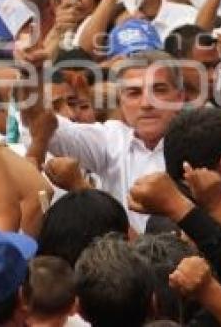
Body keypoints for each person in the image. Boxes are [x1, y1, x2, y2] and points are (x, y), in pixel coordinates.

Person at [21, 51, 184, 231]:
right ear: (121, 101)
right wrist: (31, 74)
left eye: (159, 90)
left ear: (179, 98)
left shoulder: (202, 143)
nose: (146, 103)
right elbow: (42, 124)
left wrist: (79, 186)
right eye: (134, 93)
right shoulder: (111, 139)